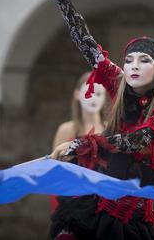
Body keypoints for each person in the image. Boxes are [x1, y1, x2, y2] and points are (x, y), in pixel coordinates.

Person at [28, 0, 154, 239]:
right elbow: (87, 44)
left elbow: (143, 139)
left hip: (133, 221)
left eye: (144, 60)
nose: (133, 66)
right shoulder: (120, 87)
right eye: (129, 60)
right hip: (93, 208)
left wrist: (80, 143)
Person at [50, 72, 107, 211]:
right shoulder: (66, 129)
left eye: (99, 93)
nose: (93, 97)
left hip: (103, 200)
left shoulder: (111, 129)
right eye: (88, 91)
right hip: (72, 199)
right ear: (77, 94)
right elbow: (55, 169)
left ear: (105, 98)